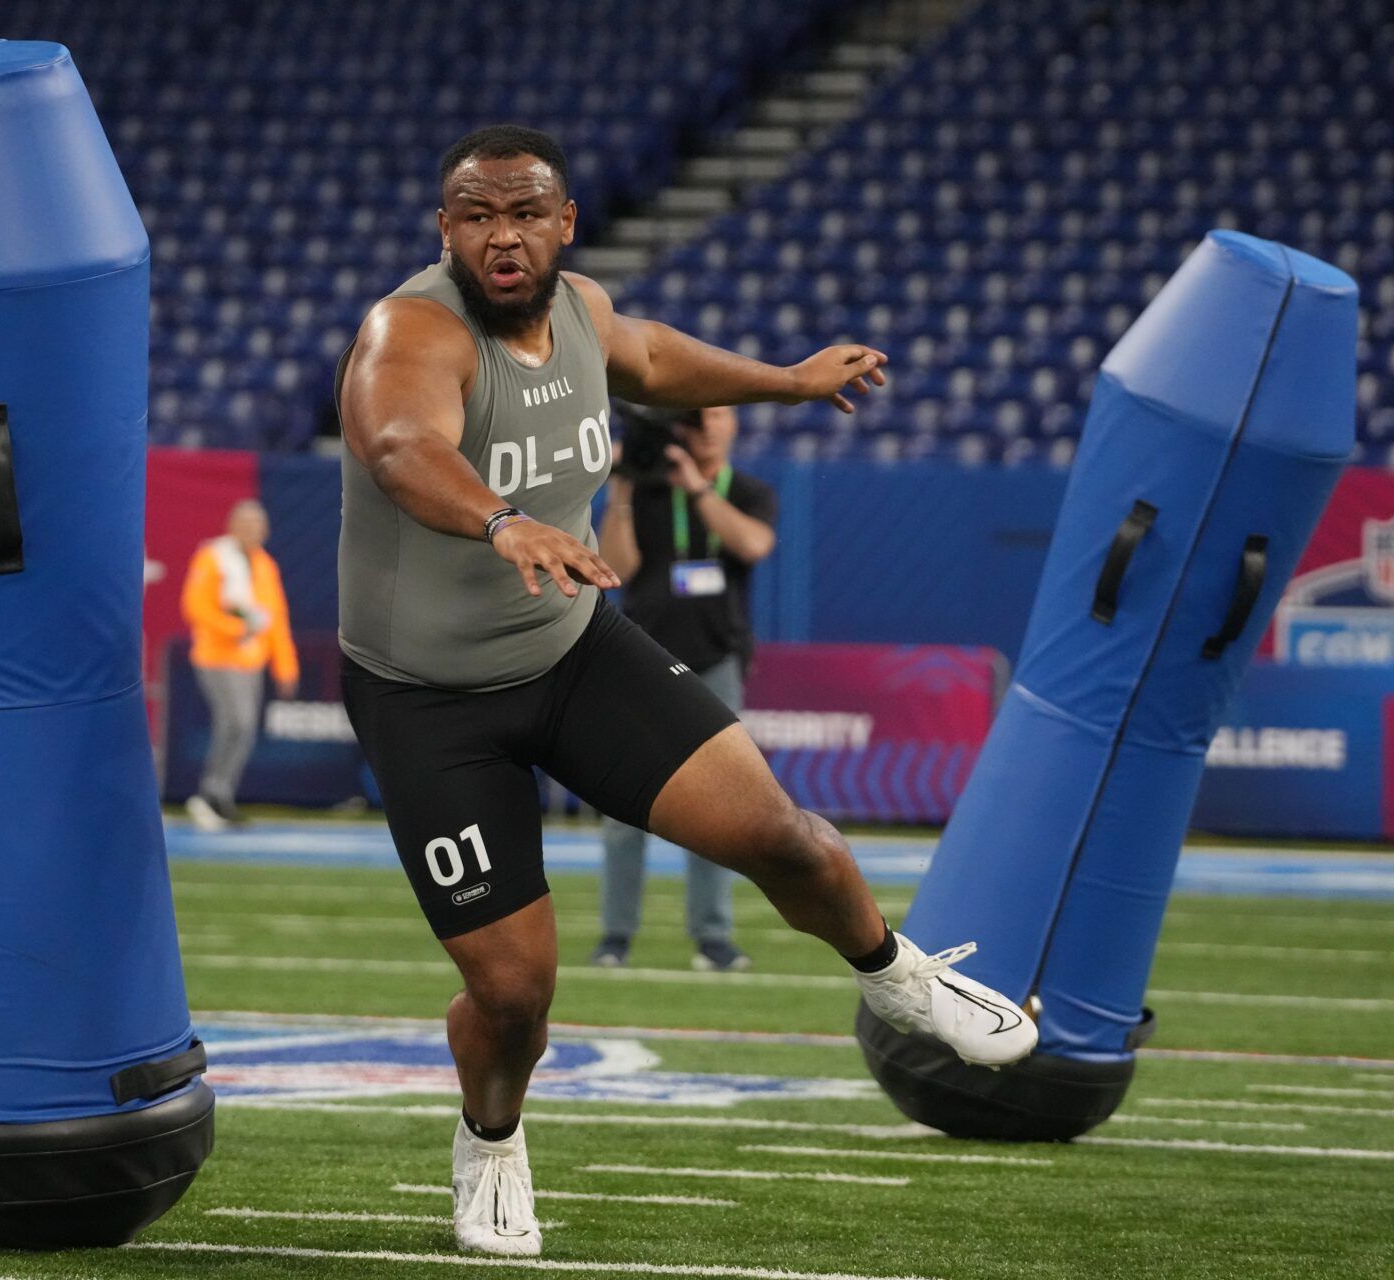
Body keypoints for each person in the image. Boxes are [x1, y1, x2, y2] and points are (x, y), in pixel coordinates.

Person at [334, 124, 1035, 1258]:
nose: (501, 233)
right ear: (445, 229)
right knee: (515, 998)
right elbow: (404, 445)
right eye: (476, 213)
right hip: (428, 697)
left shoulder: (584, 312)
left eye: (524, 212)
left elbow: (654, 359)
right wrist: (504, 519)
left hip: (568, 650)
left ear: (564, 224)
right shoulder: (410, 328)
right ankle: (492, 1139)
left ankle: (894, 974)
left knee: (790, 838)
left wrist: (793, 382)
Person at [592, 406, 774, 972]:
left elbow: (752, 545)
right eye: (694, 421)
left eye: (716, 417)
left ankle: (713, 937)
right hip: (641, 656)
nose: (706, 429)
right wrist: (621, 490)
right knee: (622, 806)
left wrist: (696, 489)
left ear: (733, 425)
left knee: (718, 804)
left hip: (716, 656)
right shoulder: (643, 490)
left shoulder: (745, 490)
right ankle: (615, 936)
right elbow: (614, 567)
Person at [179, 500, 298, 831]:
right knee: (235, 722)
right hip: (217, 656)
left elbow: (276, 620)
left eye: (257, 524)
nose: (252, 530)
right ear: (231, 526)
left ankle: (221, 793)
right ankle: (210, 793)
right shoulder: (214, 557)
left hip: (251, 659)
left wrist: (285, 666)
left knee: (243, 729)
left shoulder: (265, 566)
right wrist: (236, 629)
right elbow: (195, 606)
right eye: (246, 523)